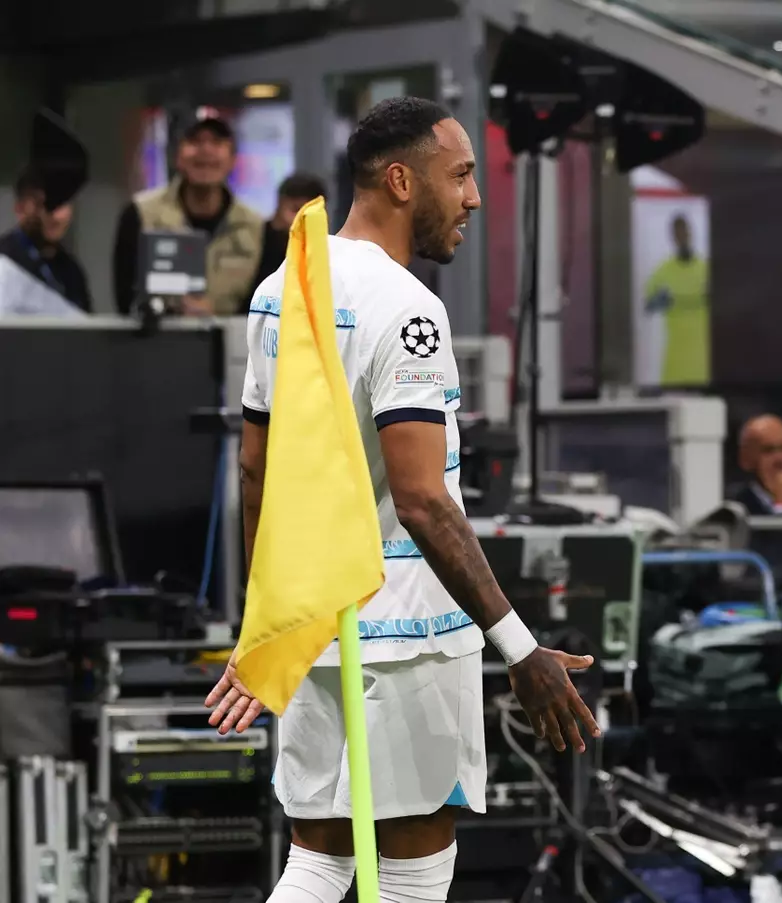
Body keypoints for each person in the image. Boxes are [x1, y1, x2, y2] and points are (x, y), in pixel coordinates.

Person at [205, 97, 600, 903]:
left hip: (314, 618)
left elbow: (255, 468)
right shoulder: (410, 309)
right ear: (400, 180)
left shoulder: (283, 289)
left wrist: (270, 617)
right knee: (415, 865)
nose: (474, 198)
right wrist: (520, 648)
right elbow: (423, 501)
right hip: (411, 634)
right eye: (459, 176)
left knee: (318, 858)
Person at [112, 116, 264, 316]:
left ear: (233, 160)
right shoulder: (140, 214)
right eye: (195, 141)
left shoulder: (255, 226)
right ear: (177, 157)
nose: (206, 150)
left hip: (231, 344)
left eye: (217, 143)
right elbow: (125, 298)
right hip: (159, 344)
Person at [0, 166, 90, 311]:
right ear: (20, 209)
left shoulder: (72, 270)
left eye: (62, 204)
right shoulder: (5, 261)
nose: (56, 216)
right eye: (44, 205)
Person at [642, 214, 709, 386]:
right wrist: (660, 301)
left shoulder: (706, 269)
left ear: (690, 233)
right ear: (672, 237)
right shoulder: (663, 272)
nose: (682, 237)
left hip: (703, 362)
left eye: (684, 232)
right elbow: (648, 306)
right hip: (676, 363)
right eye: (677, 233)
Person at [250, 172, 328, 297]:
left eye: (310, 213)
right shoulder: (252, 239)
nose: (301, 219)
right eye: (296, 209)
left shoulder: (327, 249)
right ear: (279, 205)